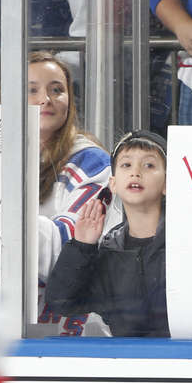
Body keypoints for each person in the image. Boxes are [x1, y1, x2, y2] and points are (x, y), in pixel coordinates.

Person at [46, 131, 170, 337]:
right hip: (123, 366)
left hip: (183, 362)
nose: (135, 172)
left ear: (167, 183)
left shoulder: (186, 244)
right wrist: (82, 246)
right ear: (113, 183)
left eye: (149, 165)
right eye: (126, 165)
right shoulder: (109, 251)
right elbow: (61, 302)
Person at [27, 52, 113, 336]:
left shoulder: (92, 160)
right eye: (32, 90)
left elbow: (69, 245)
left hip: (66, 330)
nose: (45, 99)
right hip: (0, 325)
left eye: (56, 90)